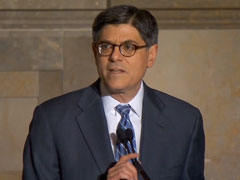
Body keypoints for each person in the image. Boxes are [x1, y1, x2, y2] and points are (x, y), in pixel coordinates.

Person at [22, 5, 205, 180]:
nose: (115, 57)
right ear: (95, 53)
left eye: (128, 47)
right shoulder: (51, 119)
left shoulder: (185, 122)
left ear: (151, 55)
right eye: (106, 46)